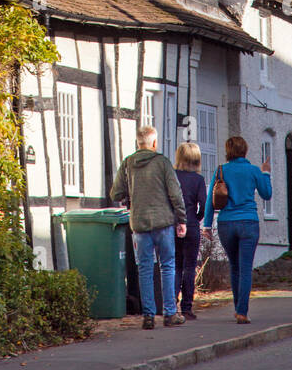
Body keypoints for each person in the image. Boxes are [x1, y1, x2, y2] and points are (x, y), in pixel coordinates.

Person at [110, 125, 187, 329]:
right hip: (164, 223)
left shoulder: (128, 164)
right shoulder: (162, 162)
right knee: (167, 266)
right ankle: (170, 313)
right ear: (154, 143)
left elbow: (115, 193)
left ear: (138, 143)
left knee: (144, 269)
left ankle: (148, 316)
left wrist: (131, 192)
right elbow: (175, 193)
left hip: (139, 224)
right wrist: (182, 219)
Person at [203, 135, 272, 325]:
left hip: (226, 223)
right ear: (245, 150)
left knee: (234, 267)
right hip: (249, 222)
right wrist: (266, 173)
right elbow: (267, 194)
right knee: (245, 269)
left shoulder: (221, 171)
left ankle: (237, 308)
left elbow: (211, 199)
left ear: (228, 151)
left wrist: (207, 226)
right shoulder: (253, 171)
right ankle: (242, 311)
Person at [173, 142, 206, 320]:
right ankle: (187, 307)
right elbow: (204, 203)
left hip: (173, 224)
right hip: (191, 225)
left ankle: (172, 304)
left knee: (175, 265)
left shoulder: (172, 176)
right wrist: (197, 218)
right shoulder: (198, 180)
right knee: (189, 266)